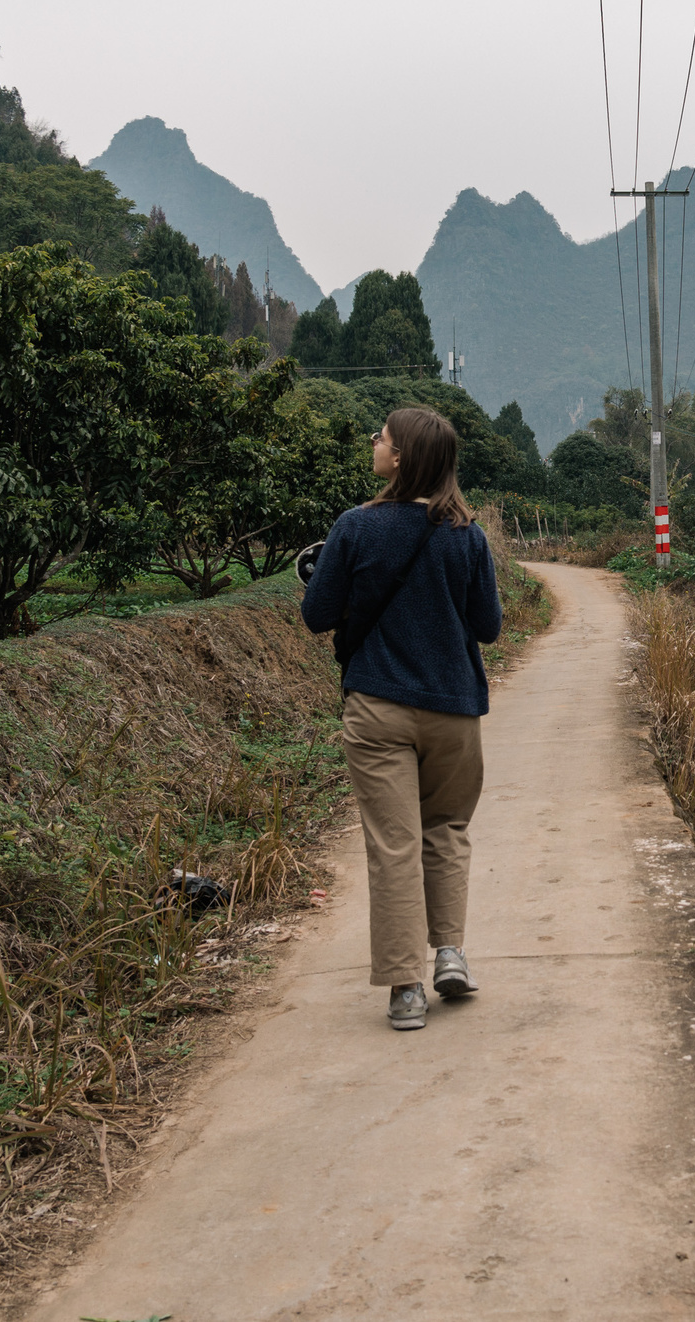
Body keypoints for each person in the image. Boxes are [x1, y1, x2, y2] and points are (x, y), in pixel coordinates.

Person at [300, 405, 504, 1030]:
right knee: (446, 829)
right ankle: (450, 954)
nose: (374, 441)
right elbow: (488, 627)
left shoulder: (355, 528)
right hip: (453, 713)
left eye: (383, 437)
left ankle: (405, 990)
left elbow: (318, 614)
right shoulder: (466, 536)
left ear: (402, 456)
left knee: (395, 845)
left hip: (379, 709)